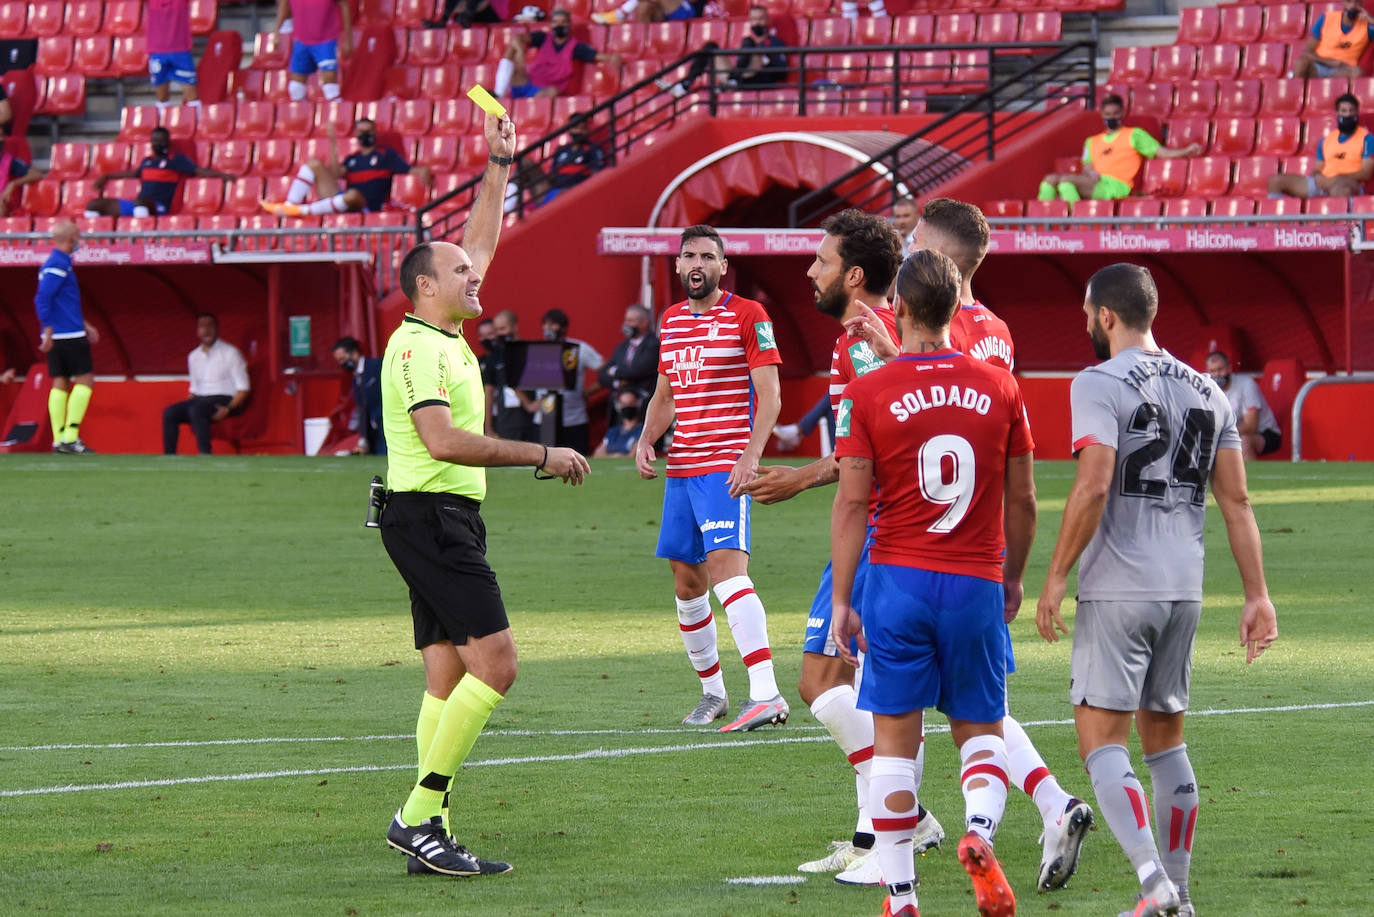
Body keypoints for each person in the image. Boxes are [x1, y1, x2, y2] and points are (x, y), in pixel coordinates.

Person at [379, 110, 591, 878]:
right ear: (425, 287)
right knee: (497, 665)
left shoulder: (444, 333)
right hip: (431, 516)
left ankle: (430, 826)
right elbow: (442, 441)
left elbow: (481, 241)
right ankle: (417, 815)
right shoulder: (417, 348)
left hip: (437, 515)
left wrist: (500, 165)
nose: (477, 276)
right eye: (461, 273)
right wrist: (542, 451)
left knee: (446, 677)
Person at [1036, 263, 1278, 917]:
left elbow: (1094, 482)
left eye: (1088, 315)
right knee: (1167, 744)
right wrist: (1257, 594)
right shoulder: (1209, 390)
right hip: (1184, 589)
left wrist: (1055, 574)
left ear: (1106, 316)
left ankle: (1154, 885)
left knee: (1102, 742)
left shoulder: (1097, 381)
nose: (1087, 325)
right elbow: (1238, 502)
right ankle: (1181, 895)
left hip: (1119, 586)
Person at [740, 209, 949, 881]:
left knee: (822, 682)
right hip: (906, 529)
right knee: (866, 686)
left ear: (853, 276)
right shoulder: (885, 333)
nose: (811, 271)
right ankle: (870, 836)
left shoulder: (860, 341)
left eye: (822, 261)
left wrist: (799, 476)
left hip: (880, 530)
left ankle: (908, 818)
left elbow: (871, 451)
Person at [830, 248, 1036, 917]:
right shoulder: (1001, 387)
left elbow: (852, 504)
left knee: (894, 742)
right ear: (955, 306)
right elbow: (1024, 500)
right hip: (975, 579)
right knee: (981, 730)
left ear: (899, 307)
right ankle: (978, 832)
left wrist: (843, 598)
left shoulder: (867, 392)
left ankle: (901, 896)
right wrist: (1013, 577)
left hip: (898, 581)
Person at [909, 197, 1096, 893]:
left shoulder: (938, 330)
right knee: (976, 701)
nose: (906, 248)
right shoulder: (997, 330)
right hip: (983, 536)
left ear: (942, 257)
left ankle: (898, 840)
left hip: (928, 539)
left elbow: (929, 420)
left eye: (916, 240)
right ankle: (1053, 805)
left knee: (935, 706)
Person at [635, 224, 787, 732]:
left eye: (707, 256)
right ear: (678, 265)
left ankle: (766, 692)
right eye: (688, 256)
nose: (696, 264)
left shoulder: (749, 315)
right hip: (682, 467)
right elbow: (666, 395)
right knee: (687, 583)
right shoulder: (672, 320)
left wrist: (751, 454)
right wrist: (646, 438)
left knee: (728, 573)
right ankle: (713, 694)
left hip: (725, 465)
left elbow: (771, 394)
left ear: (723, 266)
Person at [1037, 94, 1202, 204]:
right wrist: (1090, 172)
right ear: (1102, 114)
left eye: (1116, 113)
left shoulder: (1134, 134)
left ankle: (1074, 225)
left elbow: (1160, 152)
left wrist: (1185, 151)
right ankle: (1042, 226)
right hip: (1096, 182)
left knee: (1066, 181)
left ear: (1122, 112)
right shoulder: (1091, 141)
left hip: (1118, 186)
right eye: (1108, 114)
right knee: (1049, 179)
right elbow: (1087, 165)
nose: (1112, 117)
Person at [261, 118, 432, 217]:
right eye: (361, 131)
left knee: (353, 195)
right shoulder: (352, 159)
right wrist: (332, 143)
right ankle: (290, 205)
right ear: (356, 134)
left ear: (375, 132)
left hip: (368, 206)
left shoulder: (386, 155)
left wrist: (423, 171)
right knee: (314, 164)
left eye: (369, 130)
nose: (365, 135)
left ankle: (302, 211)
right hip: (343, 201)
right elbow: (336, 174)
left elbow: (410, 170)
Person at [34, 220, 98, 454]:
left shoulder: (54, 263)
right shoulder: (59, 264)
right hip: (68, 335)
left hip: (65, 331)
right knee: (85, 380)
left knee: (60, 381)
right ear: (71, 238)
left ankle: (59, 439)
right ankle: (70, 437)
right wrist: (48, 330)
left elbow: (63, 304)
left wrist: (85, 324)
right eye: (78, 235)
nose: (80, 239)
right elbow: (42, 298)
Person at [85, 127, 235, 218]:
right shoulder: (147, 161)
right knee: (95, 204)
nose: (158, 144)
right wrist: (106, 176)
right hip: (138, 204)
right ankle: (93, 245)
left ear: (168, 142)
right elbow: (133, 174)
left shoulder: (175, 160)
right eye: (155, 141)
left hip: (158, 206)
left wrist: (222, 175)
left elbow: (198, 171)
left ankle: (140, 238)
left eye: (161, 141)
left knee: (141, 202)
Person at [162, 313, 250, 455]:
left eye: (210, 326)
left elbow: (243, 388)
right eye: (202, 326)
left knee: (197, 409)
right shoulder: (193, 356)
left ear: (217, 329)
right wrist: (186, 406)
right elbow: (194, 389)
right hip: (201, 399)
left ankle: (205, 454)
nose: (206, 330)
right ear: (198, 331)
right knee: (170, 412)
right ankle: (169, 456)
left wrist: (228, 408)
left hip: (225, 399)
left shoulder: (231, 353)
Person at [655, 5, 787, 98]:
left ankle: (733, 81)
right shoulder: (747, 41)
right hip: (740, 78)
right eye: (754, 19)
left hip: (759, 80)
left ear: (768, 20)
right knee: (710, 47)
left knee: (748, 42)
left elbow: (782, 72)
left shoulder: (774, 42)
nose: (757, 23)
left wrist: (764, 59)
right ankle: (685, 85)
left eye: (761, 19)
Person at [493, 9, 622, 100]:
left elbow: (597, 56)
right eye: (556, 22)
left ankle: (523, 110)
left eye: (563, 22)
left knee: (553, 92)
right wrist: (521, 52)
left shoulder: (575, 47)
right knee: (512, 50)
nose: (559, 25)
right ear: (552, 24)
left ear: (569, 24)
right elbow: (517, 39)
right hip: (526, 82)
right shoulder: (543, 38)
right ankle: (498, 93)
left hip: (542, 91)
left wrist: (612, 58)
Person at [1267, 92, 1373, 199]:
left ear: (1357, 113)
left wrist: (1336, 178)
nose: (1348, 115)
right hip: (1324, 182)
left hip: (1349, 182)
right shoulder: (1326, 140)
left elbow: (1366, 173)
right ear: (1337, 113)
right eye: (1344, 111)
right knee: (1275, 181)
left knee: (1340, 190)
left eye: (1351, 110)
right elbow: (1317, 169)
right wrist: (1318, 177)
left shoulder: (1367, 139)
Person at [536, 308, 603, 455]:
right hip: (545, 418)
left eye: (553, 324)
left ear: (563, 327)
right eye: (545, 324)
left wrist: (588, 392)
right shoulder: (537, 349)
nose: (548, 328)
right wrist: (528, 404)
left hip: (574, 418)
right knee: (546, 460)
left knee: (577, 460)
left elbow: (604, 371)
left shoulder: (578, 348)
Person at [1206, 350, 1283, 460]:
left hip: (1265, 433)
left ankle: (1250, 472)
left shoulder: (1246, 384)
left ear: (1229, 368)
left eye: (1220, 369)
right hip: (1232, 434)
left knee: (1243, 442)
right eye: (1212, 371)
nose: (1217, 375)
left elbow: (1251, 427)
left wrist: (1220, 435)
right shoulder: (1209, 390)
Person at [274, 0, 351, 103]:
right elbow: (284, 6)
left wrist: (348, 40)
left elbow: (344, 6)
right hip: (301, 40)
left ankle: (336, 111)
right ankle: (302, 112)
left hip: (326, 40)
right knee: (296, 88)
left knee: (330, 85)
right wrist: (276, 32)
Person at [484, 309, 540, 442]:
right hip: (506, 422)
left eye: (503, 329)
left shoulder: (530, 351)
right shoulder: (494, 356)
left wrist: (533, 404)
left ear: (514, 326)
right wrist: (488, 427)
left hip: (534, 420)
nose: (500, 333)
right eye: (497, 330)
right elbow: (488, 393)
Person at [597, 303, 660, 408]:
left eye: (631, 321)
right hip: (620, 404)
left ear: (644, 322)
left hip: (644, 403)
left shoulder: (654, 345)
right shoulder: (622, 347)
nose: (626, 324)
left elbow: (638, 371)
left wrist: (614, 371)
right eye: (626, 320)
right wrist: (618, 383)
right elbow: (602, 375)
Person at [1292, 0, 1373, 78]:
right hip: (1319, 65)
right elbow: (1306, 52)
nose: (1353, 5)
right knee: (1300, 64)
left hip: (1343, 69)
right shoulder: (1326, 18)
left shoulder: (1368, 25)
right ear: (1343, 3)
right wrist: (1329, 62)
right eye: (1349, 1)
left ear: (1361, 4)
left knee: (1357, 72)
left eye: (1357, 1)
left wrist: (1371, 20)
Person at [333, 335, 385, 455]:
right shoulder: (356, 378)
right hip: (374, 433)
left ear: (354, 353)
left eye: (343, 359)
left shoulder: (377, 367)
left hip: (387, 426)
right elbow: (362, 409)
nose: (342, 363)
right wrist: (363, 438)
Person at [146, 0, 200, 110]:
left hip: (181, 50)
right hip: (157, 51)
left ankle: (196, 120)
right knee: (161, 97)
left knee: (192, 96)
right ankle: (162, 120)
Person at [539, 118, 605, 205]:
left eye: (583, 128)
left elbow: (597, 174)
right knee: (526, 163)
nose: (579, 131)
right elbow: (553, 174)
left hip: (577, 191)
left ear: (587, 130)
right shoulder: (561, 149)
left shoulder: (593, 149)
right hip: (556, 190)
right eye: (576, 128)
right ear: (570, 129)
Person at [0, 120, 44, 217]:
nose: (1, 139)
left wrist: (13, 183)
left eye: (2, 136)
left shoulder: (9, 161)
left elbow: (37, 174)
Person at [594, 390, 644, 457]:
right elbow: (597, 454)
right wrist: (617, 456)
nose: (627, 406)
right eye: (624, 404)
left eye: (631, 403)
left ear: (638, 404)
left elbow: (633, 455)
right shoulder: (613, 431)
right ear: (618, 406)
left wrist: (608, 456)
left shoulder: (642, 430)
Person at [593, 0, 723, 25]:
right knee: (644, 5)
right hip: (667, 12)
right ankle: (644, 41)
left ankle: (620, 14)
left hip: (690, 12)